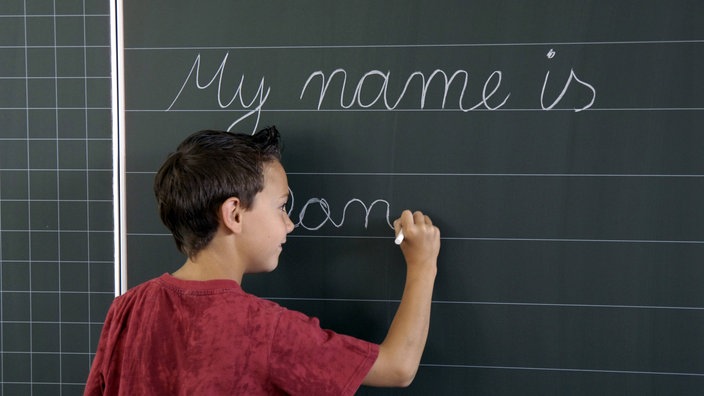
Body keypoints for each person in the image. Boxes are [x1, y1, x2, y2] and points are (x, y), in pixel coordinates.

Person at [84, 126, 440, 395]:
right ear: (234, 214)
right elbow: (398, 367)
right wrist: (423, 265)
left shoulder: (127, 310)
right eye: (282, 207)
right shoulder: (264, 330)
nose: (290, 223)